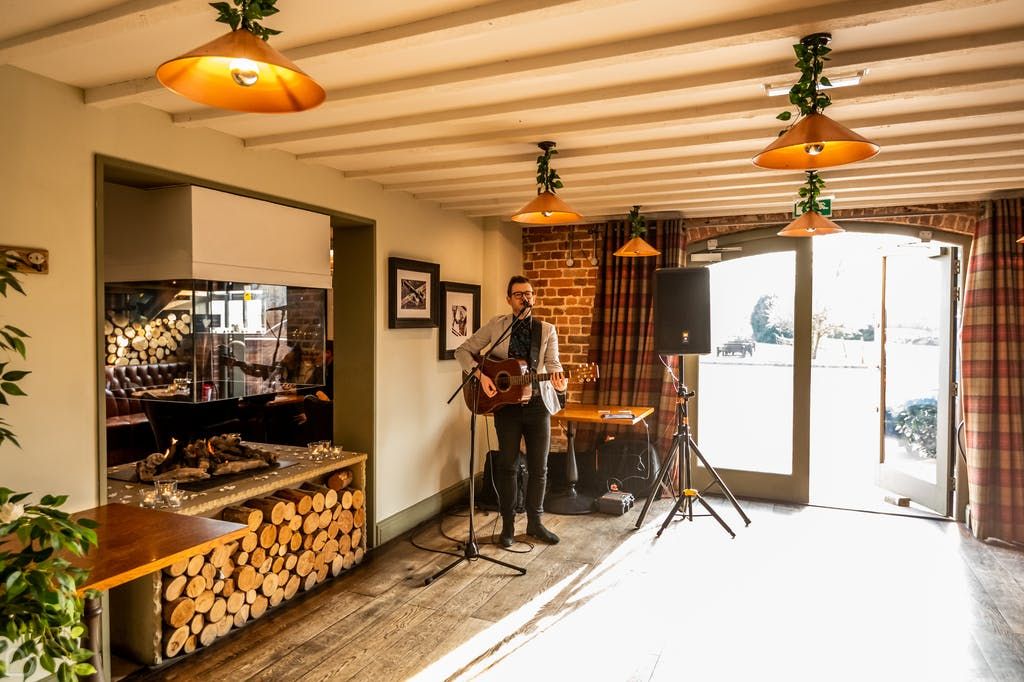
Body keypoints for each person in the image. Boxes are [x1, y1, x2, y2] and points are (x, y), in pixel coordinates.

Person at [455, 275, 566, 547]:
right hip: (506, 407)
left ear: (534, 297)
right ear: (509, 299)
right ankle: (507, 526)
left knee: (539, 468)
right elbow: (462, 351)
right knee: (508, 466)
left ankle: (535, 523)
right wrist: (482, 377)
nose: (525, 298)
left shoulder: (546, 330)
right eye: (519, 294)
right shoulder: (497, 326)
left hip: (538, 405)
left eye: (529, 293)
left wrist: (560, 382)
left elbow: (553, 364)